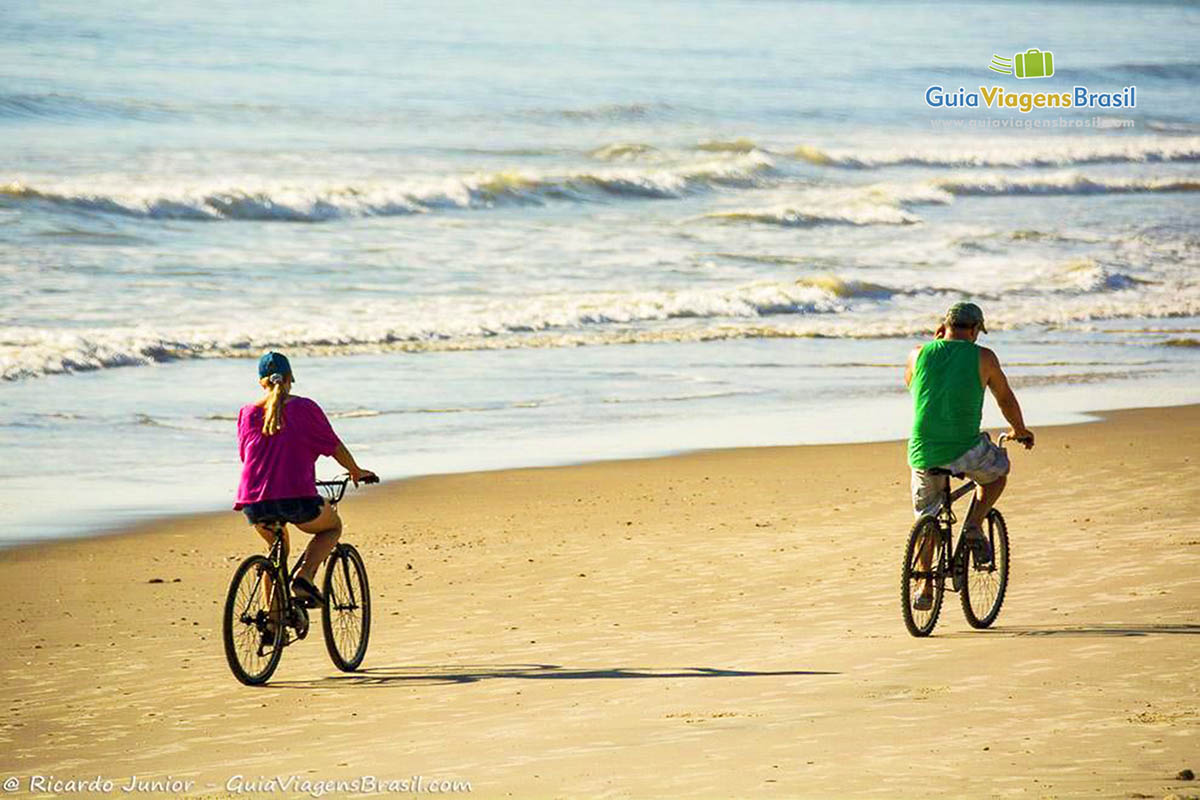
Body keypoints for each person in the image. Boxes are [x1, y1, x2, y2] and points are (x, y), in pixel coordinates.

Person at [905, 303, 1034, 610]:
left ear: (943, 327)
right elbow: (1004, 398)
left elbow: (912, 383)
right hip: (964, 448)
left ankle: (924, 585)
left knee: (928, 516)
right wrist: (1020, 430)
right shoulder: (984, 357)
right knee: (997, 473)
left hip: (922, 450)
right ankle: (974, 523)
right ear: (975, 330)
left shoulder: (918, 353)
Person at [234, 352, 375, 607]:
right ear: (291, 378)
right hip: (297, 499)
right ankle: (304, 577)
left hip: (253, 501)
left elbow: (247, 456)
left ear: (260, 382)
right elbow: (334, 447)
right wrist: (355, 470)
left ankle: (272, 621)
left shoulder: (246, 413)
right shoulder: (305, 408)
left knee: (277, 553)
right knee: (332, 527)